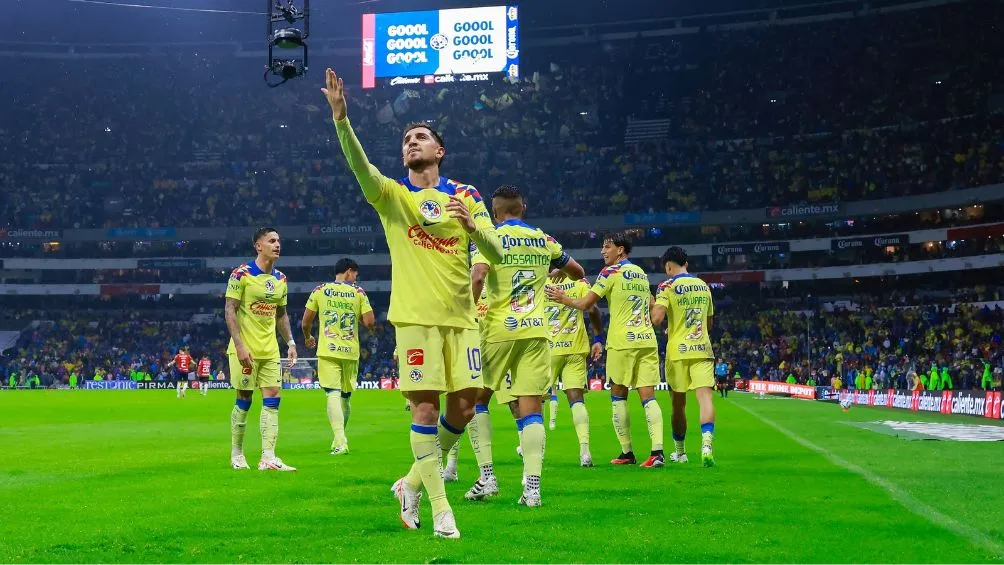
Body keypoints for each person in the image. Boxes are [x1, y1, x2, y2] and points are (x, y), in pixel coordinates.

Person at [323, 68, 504, 539]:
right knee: (424, 408)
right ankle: (441, 510)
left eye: (421, 137)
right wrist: (342, 121)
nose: (412, 142)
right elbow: (360, 167)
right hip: (415, 317)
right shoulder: (394, 195)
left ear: (439, 151)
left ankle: (408, 483)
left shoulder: (466, 196)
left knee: (464, 408)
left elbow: (497, 254)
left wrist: (473, 228)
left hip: (462, 317)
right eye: (407, 138)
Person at [467, 185, 584, 506]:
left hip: (498, 330)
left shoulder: (489, 235)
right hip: (536, 331)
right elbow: (577, 271)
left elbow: (478, 276)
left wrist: (464, 312)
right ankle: (532, 489)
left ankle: (487, 477)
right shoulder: (544, 239)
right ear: (523, 207)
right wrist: (549, 273)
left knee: (475, 400)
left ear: (495, 212)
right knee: (532, 408)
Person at [546, 232, 664, 468]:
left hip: (622, 342)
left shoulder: (610, 272)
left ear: (620, 250)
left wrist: (563, 297)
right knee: (648, 397)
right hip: (647, 340)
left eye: (607, 247)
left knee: (618, 395)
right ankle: (657, 452)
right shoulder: (641, 273)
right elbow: (654, 306)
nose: (603, 251)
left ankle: (627, 452)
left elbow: (586, 304)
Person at [225, 227, 298, 472]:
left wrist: (290, 343)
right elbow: (230, 310)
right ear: (258, 245)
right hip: (245, 349)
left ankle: (268, 457)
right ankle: (237, 453)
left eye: (279, 240)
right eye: (272, 241)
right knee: (244, 399)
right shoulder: (241, 274)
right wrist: (240, 345)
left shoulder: (281, 279)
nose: (278, 244)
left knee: (273, 400)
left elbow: (282, 314)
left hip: (270, 350)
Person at [650, 246, 717, 467]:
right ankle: (707, 446)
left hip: (678, 352)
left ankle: (680, 452)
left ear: (669, 266)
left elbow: (657, 319)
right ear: (686, 264)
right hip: (702, 349)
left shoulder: (667, 286)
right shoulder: (703, 286)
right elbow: (708, 324)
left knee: (678, 405)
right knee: (705, 398)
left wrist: (651, 306)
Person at [302, 257, 375, 455]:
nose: (355, 278)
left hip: (328, 350)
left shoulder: (320, 290)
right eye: (355, 274)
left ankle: (341, 441)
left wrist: (308, 337)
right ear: (349, 271)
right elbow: (369, 322)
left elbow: (305, 322)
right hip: (350, 351)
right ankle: (339, 439)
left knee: (332, 393)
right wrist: (362, 321)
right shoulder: (358, 292)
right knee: (345, 397)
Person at [543, 268, 604, 467]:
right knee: (576, 399)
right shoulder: (580, 283)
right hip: (576, 347)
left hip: (549, 349)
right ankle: (585, 451)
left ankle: (535, 450)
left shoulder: (540, 282)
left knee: (535, 400)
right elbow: (592, 309)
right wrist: (597, 338)